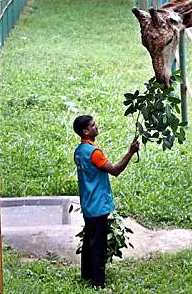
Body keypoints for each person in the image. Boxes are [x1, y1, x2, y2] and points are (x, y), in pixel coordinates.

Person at [72, 115, 139, 288]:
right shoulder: (94, 153)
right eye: (93, 125)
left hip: (88, 204)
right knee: (98, 247)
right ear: (86, 131)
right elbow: (115, 170)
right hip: (98, 205)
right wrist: (130, 152)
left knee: (88, 242)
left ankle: (86, 276)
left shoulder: (79, 151)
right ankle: (98, 283)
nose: (96, 127)